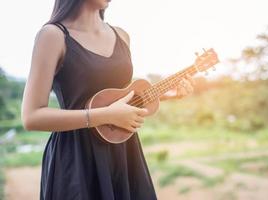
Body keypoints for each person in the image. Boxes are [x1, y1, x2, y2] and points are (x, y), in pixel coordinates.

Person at [21, 0, 196, 199]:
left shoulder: (122, 36)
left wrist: (164, 95)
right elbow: (31, 116)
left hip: (123, 152)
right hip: (77, 158)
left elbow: (118, 98)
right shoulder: (52, 36)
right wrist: (105, 115)